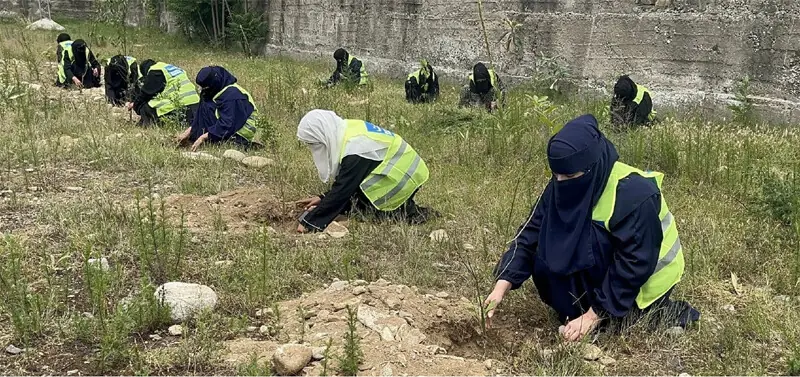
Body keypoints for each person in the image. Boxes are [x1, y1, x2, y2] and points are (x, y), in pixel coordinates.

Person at [485, 114, 699, 342]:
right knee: (549, 243)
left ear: (591, 167)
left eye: (569, 175)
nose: (560, 182)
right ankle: (585, 309)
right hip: (606, 266)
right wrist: (501, 286)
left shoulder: (634, 195)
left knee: (616, 324)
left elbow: (635, 263)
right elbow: (530, 234)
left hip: (644, 285)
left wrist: (592, 317)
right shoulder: (561, 182)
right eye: (555, 175)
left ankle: (634, 314)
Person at [295, 109, 436, 232]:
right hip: (401, 168)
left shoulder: (355, 149)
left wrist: (311, 222)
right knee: (356, 203)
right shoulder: (344, 130)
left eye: (313, 143)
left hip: (403, 175)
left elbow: (344, 190)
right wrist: (323, 198)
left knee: (374, 214)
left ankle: (415, 213)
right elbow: (348, 181)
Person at [175, 66, 262, 151]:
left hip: (238, 135)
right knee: (205, 100)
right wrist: (190, 131)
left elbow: (228, 124)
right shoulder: (219, 88)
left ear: (213, 84)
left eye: (205, 87)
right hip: (229, 129)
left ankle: (210, 140)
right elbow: (202, 114)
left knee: (207, 102)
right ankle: (195, 137)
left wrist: (204, 137)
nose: (202, 90)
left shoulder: (233, 96)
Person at [126, 60, 200, 126]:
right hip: (196, 108)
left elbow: (145, 94)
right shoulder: (172, 69)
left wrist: (135, 105)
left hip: (179, 109)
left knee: (145, 106)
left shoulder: (155, 71)